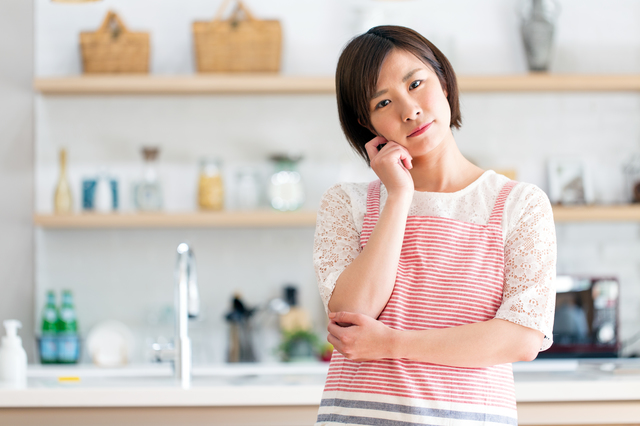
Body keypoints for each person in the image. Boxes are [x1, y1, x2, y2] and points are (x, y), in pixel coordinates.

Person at [313, 26, 556, 426]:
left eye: (416, 83)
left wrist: (390, 344)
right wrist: (398, 197)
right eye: (384, 102)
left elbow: (522, 337)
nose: (409, 110)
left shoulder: (519, 204)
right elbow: (350, 315)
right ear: (367, 122)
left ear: (443, 79)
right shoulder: (347, 203)